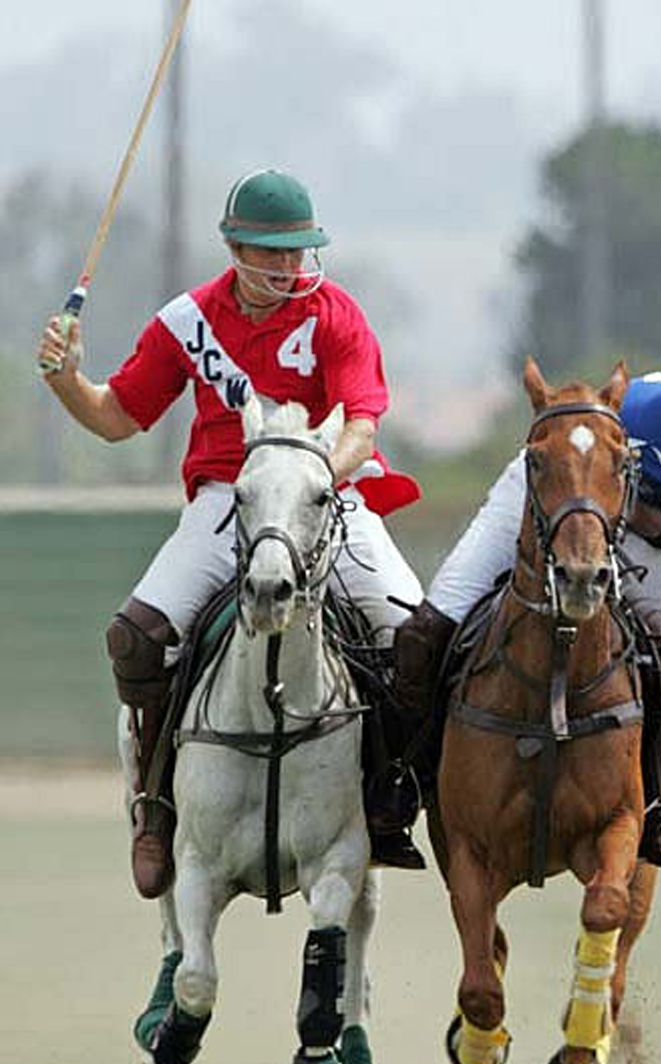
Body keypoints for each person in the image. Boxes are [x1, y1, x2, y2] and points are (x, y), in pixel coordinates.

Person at [37, 168, 426, 897]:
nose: (289, 266)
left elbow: (362, 426)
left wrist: (313, 475)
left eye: (298, 250)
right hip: (227, 499)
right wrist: (66, 380)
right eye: (272, 252)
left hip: (327, 494)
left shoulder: (335, 314)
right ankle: (156, 810)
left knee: (413, 636)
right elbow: (116, 418)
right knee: (136, 637)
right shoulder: (187, 322)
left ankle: (390, 796)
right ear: (235, 249)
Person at [394, 326, 661, 873]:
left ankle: (657, 808)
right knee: (426, 630)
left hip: (617, 521)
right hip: (544, 496)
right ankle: (402, 784)